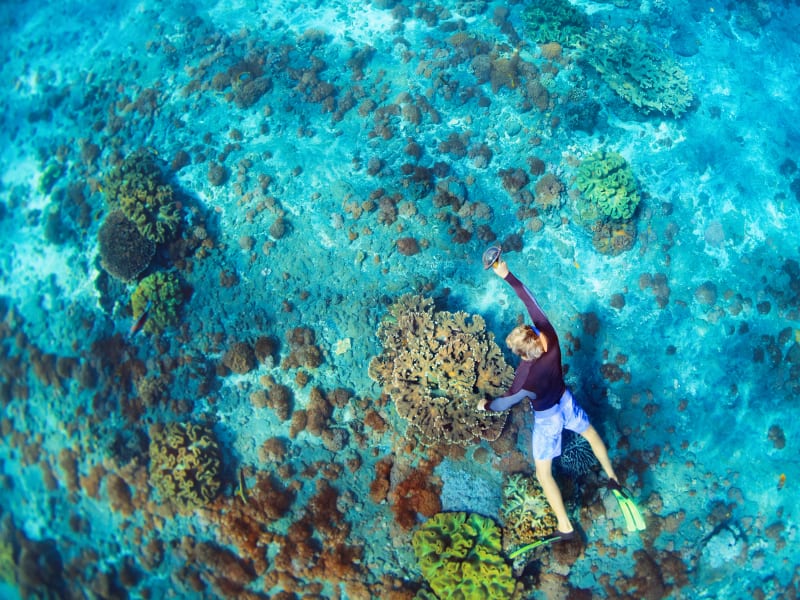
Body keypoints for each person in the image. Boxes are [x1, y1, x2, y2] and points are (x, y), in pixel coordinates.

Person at [477, 258, 620, 542]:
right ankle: (613, 477)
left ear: (523, 354)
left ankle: (565, 526)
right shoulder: (549, 336)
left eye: (514, 350)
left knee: (544, 474)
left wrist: (485, 405)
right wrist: (507, 275)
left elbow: (505, 403)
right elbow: (529, 300)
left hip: (548, 418)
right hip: (566, 399)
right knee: (590, 433)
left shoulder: (525, 376)